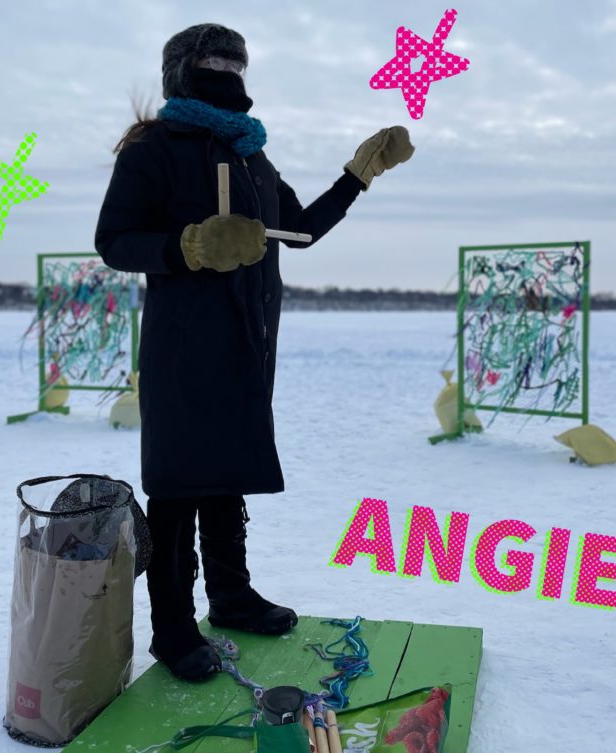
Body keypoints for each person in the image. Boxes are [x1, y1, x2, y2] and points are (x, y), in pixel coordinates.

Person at [95, 23, 414, 682]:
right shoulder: (155, 150)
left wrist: (358, 175)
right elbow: (114, 239)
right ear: (184, 71)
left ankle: (232, 596)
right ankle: (174, 630)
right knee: (180, 486)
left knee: (226, 474)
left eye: (237, 64)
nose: (229, 74)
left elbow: (299, 231)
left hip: (247, 344)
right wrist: (186, 245)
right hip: (182, 350)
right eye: (215, 63)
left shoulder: (252, 157)